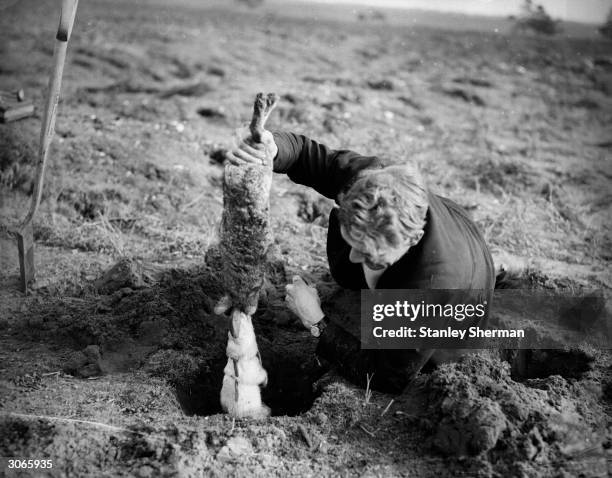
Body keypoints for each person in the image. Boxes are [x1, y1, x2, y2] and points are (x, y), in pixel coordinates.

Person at [227, 129, 496, 393]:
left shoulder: (433, 287)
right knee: (352, 267)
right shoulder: (374, 185)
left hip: (461, 302)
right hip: (448, 230)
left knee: (433, 359)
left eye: (370, 256)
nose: (355, 257)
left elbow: (390, 376)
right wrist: (275, 148)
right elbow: (306, 155)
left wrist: (317, 322)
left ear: (412, 241)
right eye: (354, 242)